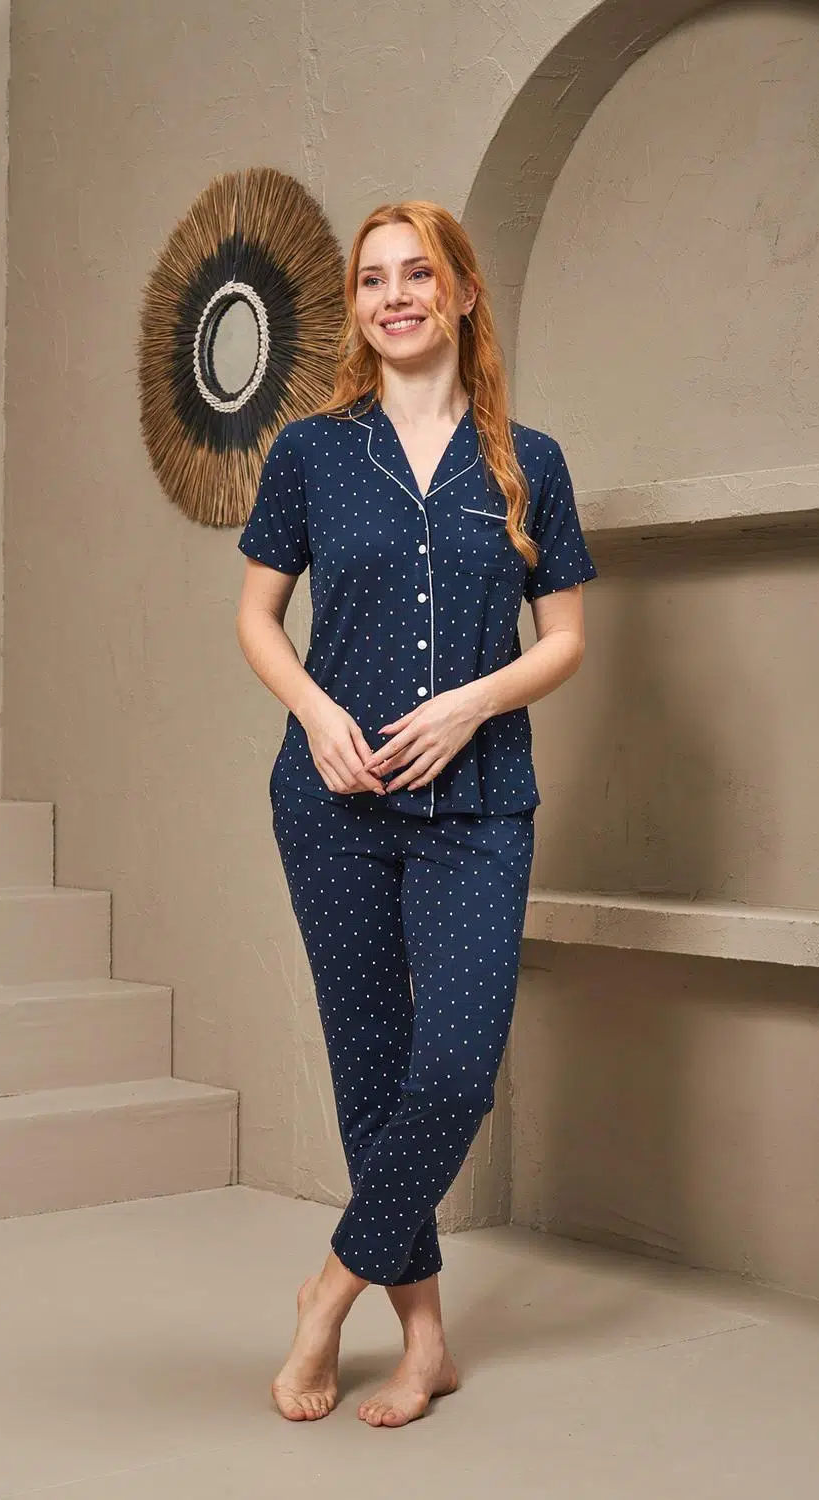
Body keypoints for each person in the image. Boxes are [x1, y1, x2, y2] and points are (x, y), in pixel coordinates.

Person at [235, 200, 597, 1427]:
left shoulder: (530, 461)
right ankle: (425, 1340)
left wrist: (471, 705)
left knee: (450, 1072)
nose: (394, 297)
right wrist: (315, 713)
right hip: (332, 803)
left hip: (481, 799)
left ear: (462, 293)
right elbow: (255, 619)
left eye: (418, 274)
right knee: (372, 1073)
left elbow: (565, 640)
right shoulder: (311, 453)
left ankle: (327, 1296)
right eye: (373, 279)